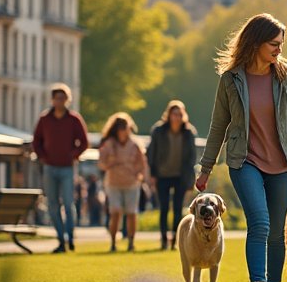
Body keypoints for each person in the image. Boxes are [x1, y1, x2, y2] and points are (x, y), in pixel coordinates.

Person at [195, 13, 287, 282]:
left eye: (281, 44)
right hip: (244, 160)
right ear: (255, 43)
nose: (279, 49)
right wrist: (206, 167)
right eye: (273, 44)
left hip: (283, 163)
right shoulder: (232, 79)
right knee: (260, 223)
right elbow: (218, 125)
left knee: (276, 232)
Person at [32, 83, 89, 253]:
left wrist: (73, 155)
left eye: (63, 98)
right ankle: (60, 239)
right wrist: (43, 156)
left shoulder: (74, 119)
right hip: (50, 167)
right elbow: (37, 141)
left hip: (67, 168)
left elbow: (84, 142)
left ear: (67, 100)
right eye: (57, 98)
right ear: (52, 100)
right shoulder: (44, 119)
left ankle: (70, 237)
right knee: (52, 205)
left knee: (68, 202)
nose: (60, 101)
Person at [147, 100, 199, 251]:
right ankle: (163, 239)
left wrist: (191, 180)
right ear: (168, 115)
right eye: (173, 114)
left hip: (180, 176)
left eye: (179, 114)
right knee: (163, 208)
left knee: (177, 209)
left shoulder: (189, 133)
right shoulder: (158, 131)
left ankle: (174, 241)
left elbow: (192, 158)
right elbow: (151, 153)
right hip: (162, 175)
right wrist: (152, 174)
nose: (176, 117)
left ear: (183, 116)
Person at [98, 112, 148, 252]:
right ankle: (113, 242)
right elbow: (101, 163)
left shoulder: (135, 144)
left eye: (125, 128)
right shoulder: (109, 144)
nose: (123, 131)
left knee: (131, 213)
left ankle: (131, 242)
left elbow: (142, 164)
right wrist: (109, 162)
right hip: (113, 182)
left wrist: (140, 176)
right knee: (115, 212)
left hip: (131, 183)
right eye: (120, 128)